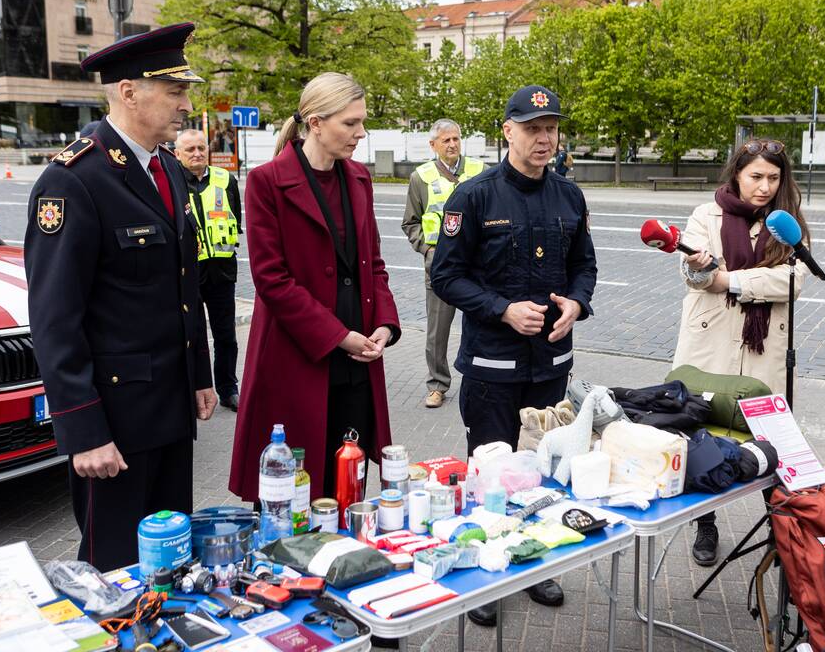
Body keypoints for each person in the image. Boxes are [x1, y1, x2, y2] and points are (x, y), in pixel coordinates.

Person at [24, 23, 217, 572]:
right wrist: (83, 432)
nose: (186, 106)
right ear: (129, 92)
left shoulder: (168, 170)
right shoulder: (74, 180)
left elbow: (183, 287)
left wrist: (199, 375)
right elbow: (56, 318)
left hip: (170, 405)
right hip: (115, 421)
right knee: (113, 566)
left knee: (170, 555)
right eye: (175, 92)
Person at [431, 84, 597, 627]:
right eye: (532, 128)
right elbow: (445, 276)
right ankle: (483, 574)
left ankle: (533, 563)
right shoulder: (474, 197)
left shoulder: (570, 196)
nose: (544, 138)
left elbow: (584, 265)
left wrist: (577, 301)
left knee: (544, 468)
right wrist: (502, 310)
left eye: (550, 128)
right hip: (492, 367)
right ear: (507, 132)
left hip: (550, 364)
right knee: (493, 470)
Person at [228, 73, 400, 503]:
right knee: (295, 492)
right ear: (316, 123)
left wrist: (384, 323)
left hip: (357, 358)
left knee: (349, 480)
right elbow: (271, 279)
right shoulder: (267, 181)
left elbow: (373, 265)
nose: (361, 133)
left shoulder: (358, 178)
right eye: (350, 123)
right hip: (297, 359)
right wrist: (338, 336)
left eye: (362, 122)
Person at [671, 139, 809, 567]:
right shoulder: (705, 215)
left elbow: (792, 281)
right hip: (709, 343)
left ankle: (781, 525)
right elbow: (693, 276)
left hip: (766, 349)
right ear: (737, 175)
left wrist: (729, 281)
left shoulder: (788, 222)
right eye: (756, 177)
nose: (765, 187)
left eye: (773, 177)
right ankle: (705, 522)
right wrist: (700, 269)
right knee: (703, 427)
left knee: (768, 431)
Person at [401, 119, 485, 408]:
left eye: (456, 139)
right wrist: (427, 250)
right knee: (437, 332)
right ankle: (437, 385)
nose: (452, 145)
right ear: (433, 145)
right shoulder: (420, 178)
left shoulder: (479, 171)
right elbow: (410, 223)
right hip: (440, 267)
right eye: (446, 140)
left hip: (477, 267)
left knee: (484, 323)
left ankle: (482, 377)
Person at [175, 129, 243, 411]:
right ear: (177, 154)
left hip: (222, 271)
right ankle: (191, 391)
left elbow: (235, 218)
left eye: (201, 148)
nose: (197, 153)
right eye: (189, 149)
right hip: (186, 273)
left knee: (226, 335)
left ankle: (228, 389)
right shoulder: (172, 181)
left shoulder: (226, 179)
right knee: (189, 336)